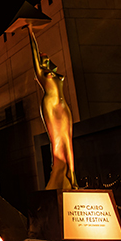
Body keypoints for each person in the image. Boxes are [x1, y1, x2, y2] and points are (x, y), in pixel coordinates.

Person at [27, 24, 77, 190]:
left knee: (68, 140)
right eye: (42, 59)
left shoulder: (56, 74)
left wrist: (49, 63)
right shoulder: (41, 74)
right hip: (50, 104)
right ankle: (58, 172)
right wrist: (30, 31)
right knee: (56, 141)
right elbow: (34, 52)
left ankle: (72, 175)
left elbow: (51, 64)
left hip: (63, 105)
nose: (45, 59)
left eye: (46, 57)